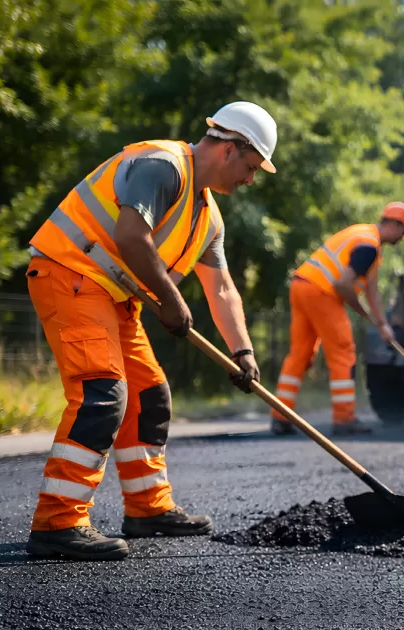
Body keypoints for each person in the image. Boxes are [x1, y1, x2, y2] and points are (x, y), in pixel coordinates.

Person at [24, 101, 278, 561]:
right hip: (72, 274)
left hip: (115, 298)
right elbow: (129, 237)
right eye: (251, 165)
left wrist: (243, 352)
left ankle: (147, 508)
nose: (250, 179)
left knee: (150, 396)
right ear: (230, 149)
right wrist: (169, 299)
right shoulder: (163, 167)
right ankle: (58, 521)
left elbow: (221, 289)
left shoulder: (209, 218)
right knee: (103, 393)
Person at [270, 203, 404, 436]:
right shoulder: (368, 246)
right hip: (321, 292)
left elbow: (372, 291)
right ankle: (344, 418)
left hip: (301, 284)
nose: (403, 237)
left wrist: (382, 324)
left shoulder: (363, 236)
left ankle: (280, 416)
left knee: (300, 354)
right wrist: (362, 312)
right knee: (343, 351)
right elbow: (343, 284)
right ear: (396, 225)